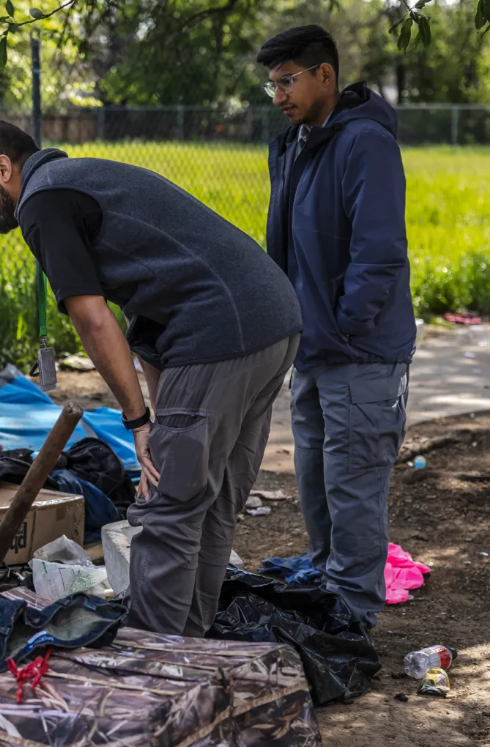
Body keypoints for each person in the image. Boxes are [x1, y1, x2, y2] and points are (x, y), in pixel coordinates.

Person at [0, 121, 302, 637]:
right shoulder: (84, 180)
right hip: (273, 320)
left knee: (169, 514)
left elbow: (93, 320)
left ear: (3, 168)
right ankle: (188, 651)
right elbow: (148, 316)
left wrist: (136, 420)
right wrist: (159, 423)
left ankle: (149, 669)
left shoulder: (42, 203)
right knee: (213, 502)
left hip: (218, 332)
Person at [258, 26, 415, 628]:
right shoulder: (298, 143)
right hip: (314, 349)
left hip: (360, 351)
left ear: (325, 75)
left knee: (353, 487)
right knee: (316, 482)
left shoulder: (364, 143)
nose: (278, 95)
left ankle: (351, 619)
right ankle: (328, 593)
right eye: (272, 83)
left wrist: (348, 326)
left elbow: (379, 253)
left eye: (288, 79)